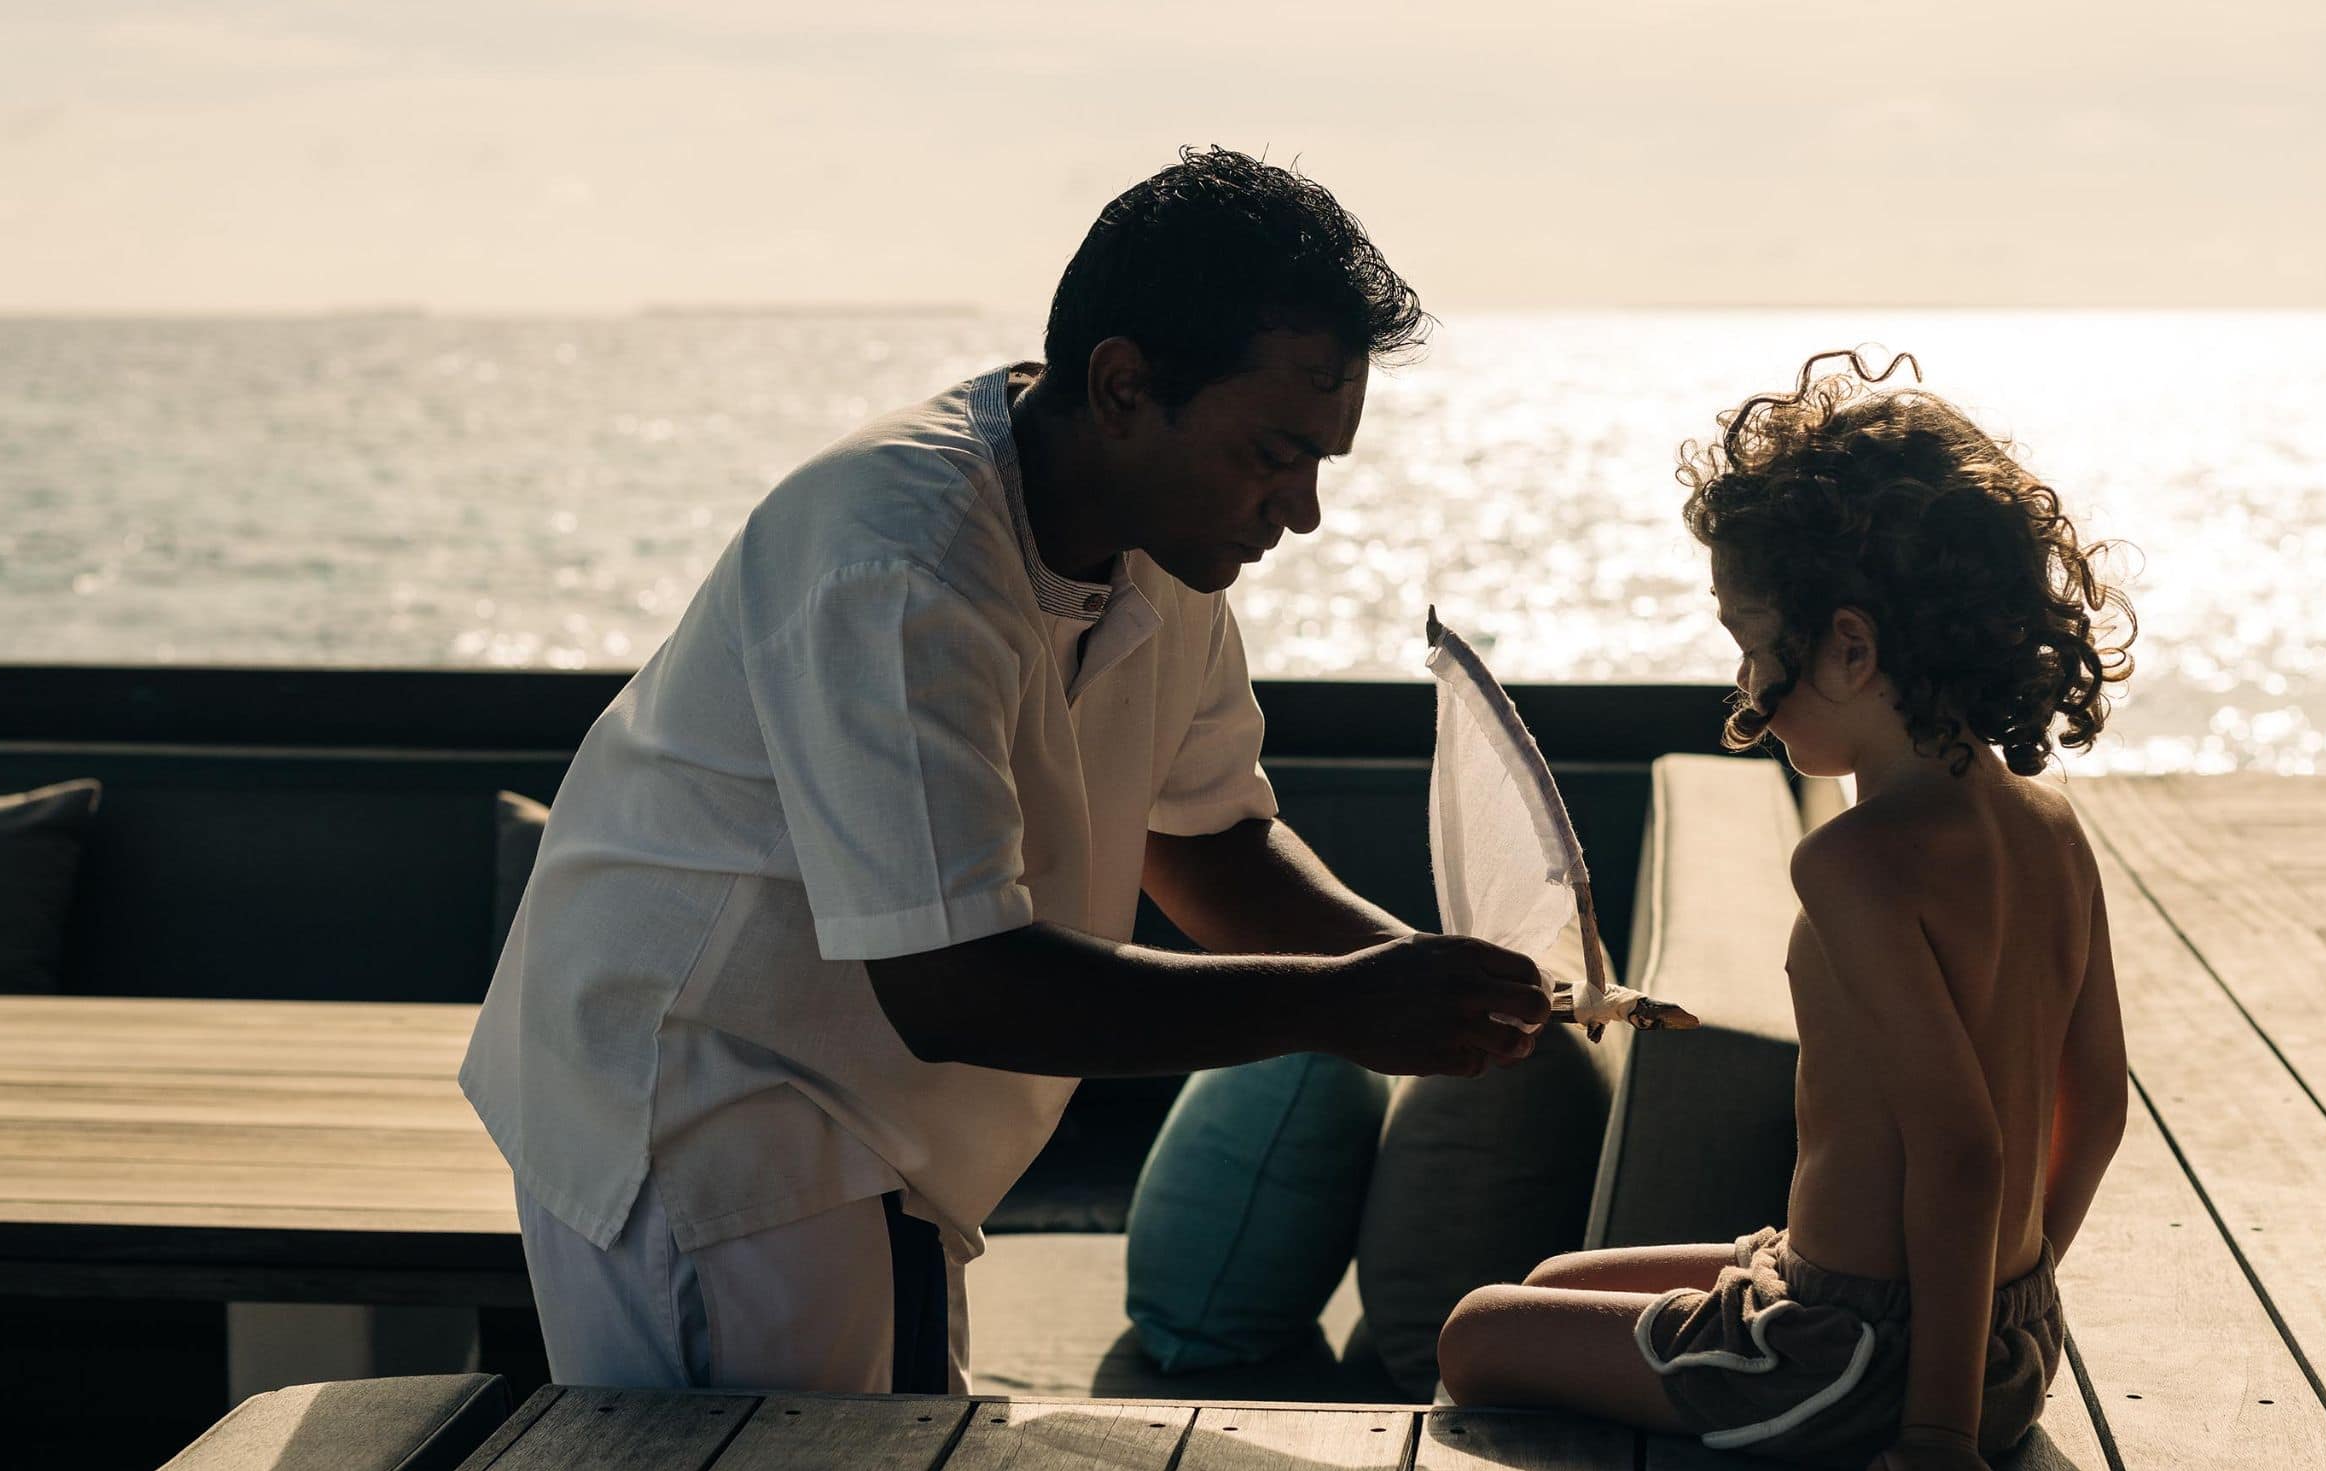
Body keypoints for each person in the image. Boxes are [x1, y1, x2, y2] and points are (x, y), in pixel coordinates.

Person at [463, 149, 1549, 1398]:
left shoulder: (1166, 553)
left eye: (1321, 464)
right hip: (700, 1111)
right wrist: (1342, 1005)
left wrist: (1423, 981)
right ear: (1124, 385)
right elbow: (955, 985)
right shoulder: (897, 565)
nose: (1299, 511)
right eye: (1272, 454)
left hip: (883, 1127)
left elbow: (1208, 842)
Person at [1437, 350, 2135, 1471]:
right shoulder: (2050, 825)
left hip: (1856, 1365)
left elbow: (1960, 1151)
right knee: (1556, 1284)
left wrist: (1934, 1431)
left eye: (1751, 642)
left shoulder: (1856, 864)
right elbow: (2099, 1105)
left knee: (1475, 1333)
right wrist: (2008, 1314)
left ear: (1849, 651)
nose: (1745, 678)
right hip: (2001, 1339)